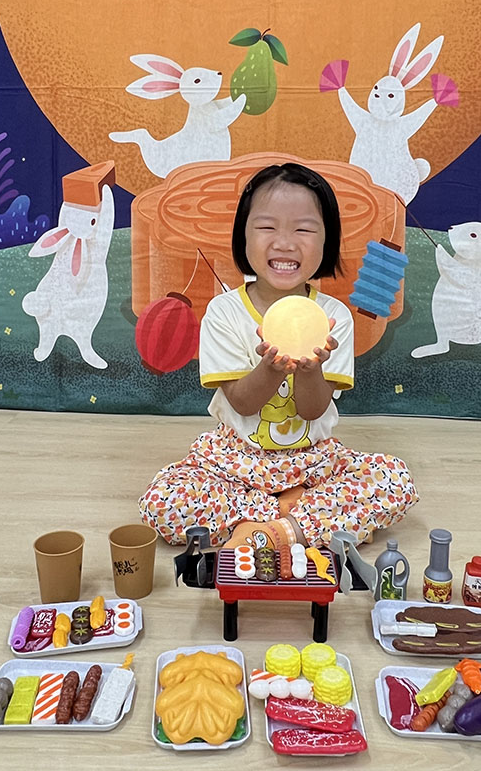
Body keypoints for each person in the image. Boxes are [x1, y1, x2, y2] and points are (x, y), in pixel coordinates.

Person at [138, 161, 417, 549]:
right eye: (267, 227)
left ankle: (268, 529)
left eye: (304, 229)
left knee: (394, 480)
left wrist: (311, 369)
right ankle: (297, 518)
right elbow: (243, 402)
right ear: (244, 236)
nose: (285, 243)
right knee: (164, 503)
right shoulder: (224, 312)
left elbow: (312, 410)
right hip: (235, 460)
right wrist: (270, 367)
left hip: (313, 462)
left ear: (327, 241)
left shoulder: (334, 317)